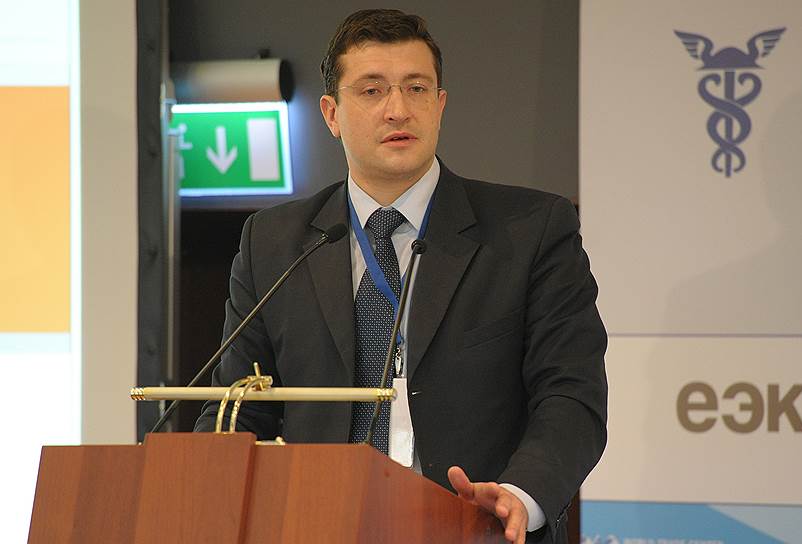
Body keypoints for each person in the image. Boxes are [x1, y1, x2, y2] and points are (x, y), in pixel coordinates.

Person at [195, 9, 607, 544]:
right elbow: (237, 405)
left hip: (476, 529)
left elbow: (571, 395)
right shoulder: (273, 243)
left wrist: (520, 496)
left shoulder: (530, 230)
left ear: (440, 105)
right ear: (331, 113)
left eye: (416, 89)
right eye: (372, 91)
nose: (398, 109)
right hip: (317, 525)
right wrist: (202, 488)